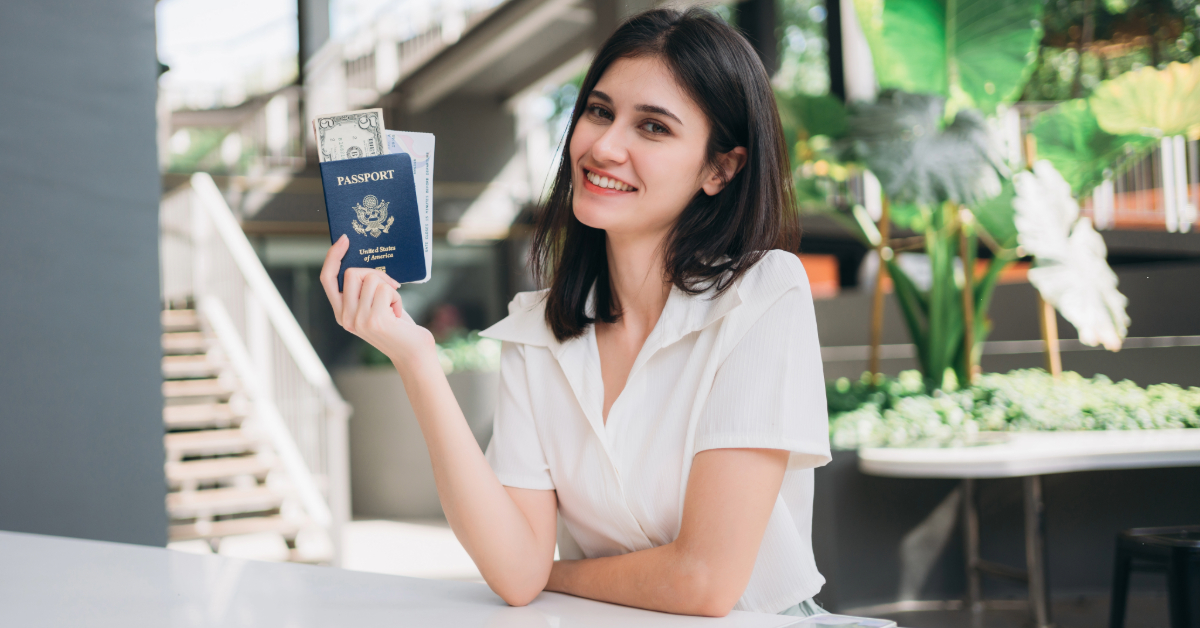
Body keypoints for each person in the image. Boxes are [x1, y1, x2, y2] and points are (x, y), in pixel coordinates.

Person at [319, 7, 830, 618]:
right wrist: (416, 359)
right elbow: (513, 573)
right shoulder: (536, 329)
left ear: (721, 168)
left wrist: (553, 575)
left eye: (654, 128)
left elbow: (705, 583)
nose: (604, 146)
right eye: (599, 111)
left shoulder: (763, 294)